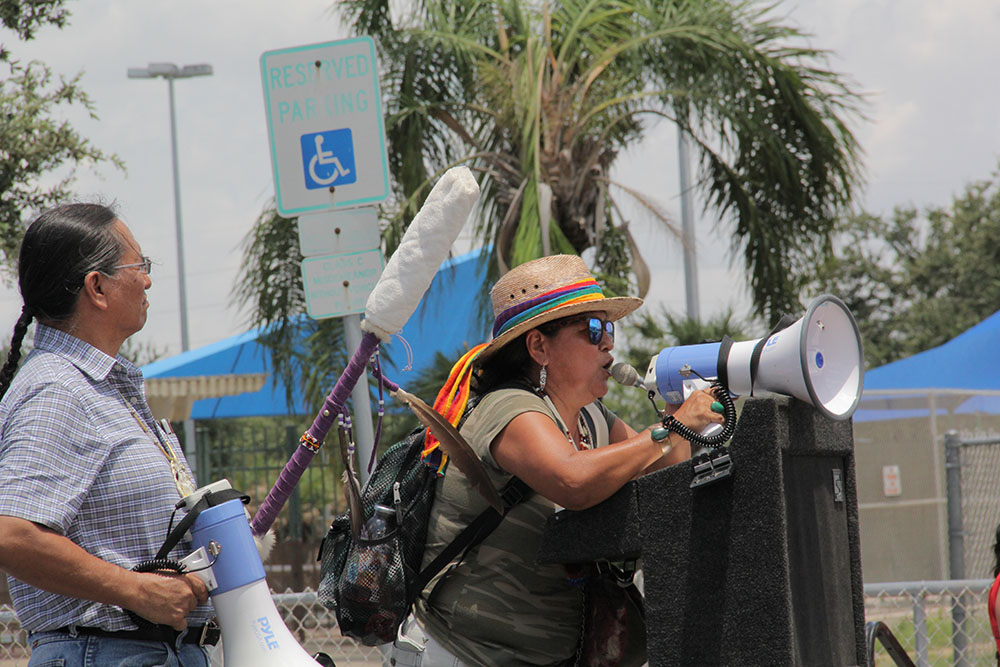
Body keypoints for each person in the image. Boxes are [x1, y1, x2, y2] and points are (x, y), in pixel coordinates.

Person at [388, 254, 724, 666]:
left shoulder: (591, 417)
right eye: (592, 329)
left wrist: (678, 413)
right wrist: (672, 429)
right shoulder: (508, 409)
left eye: (610, 328)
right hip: (466, 655)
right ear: (539, 346)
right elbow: (573, 481)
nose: (609, 343)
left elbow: (663, 474)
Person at [0, 203, 216, 666]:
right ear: (97, 287)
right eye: (141, 267)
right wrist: (136, 590)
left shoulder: (97, 388)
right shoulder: (58, 388)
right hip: (105, 653)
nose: (148, 280)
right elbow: (11, 533)